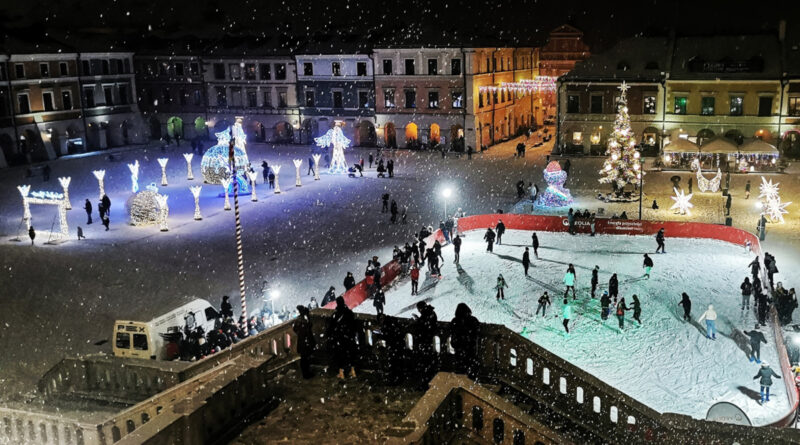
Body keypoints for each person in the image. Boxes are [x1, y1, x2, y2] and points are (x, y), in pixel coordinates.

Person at [329, 297, 357, 379]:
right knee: (350, 354)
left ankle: (341, 373)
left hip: (340, 338)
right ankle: (352, 371)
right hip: (349, 337)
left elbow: (331, 327)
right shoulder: (349, 312)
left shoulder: (336, 314)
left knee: (340, 356)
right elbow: (353, 325)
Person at [412, 301, 438, 387]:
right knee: (427, 363)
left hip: (425, 341)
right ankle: (427, 382)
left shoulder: (427, 314)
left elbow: (425, 327)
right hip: (427, 342)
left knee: (425, 363)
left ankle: (425, 383)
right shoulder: (430, 313)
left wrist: (418, 321)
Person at [450, 303, 479, 378]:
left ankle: (461, 384)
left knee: (460, 370)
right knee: (471, 369)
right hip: (469, 349)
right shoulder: (473, 320)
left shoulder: (455, 321)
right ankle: (470, 384)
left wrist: (455, 343)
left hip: (459, 349)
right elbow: (476, 332)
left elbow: (453, 333)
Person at [293, 305, 316, 378]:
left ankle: (305, 373)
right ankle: (306, 373)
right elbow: (309, 326)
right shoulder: (304, 320)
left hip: (302, 341)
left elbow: (295, 329)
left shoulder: (299, 320)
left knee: (304, 358)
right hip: (305, 341)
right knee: (305, 358)